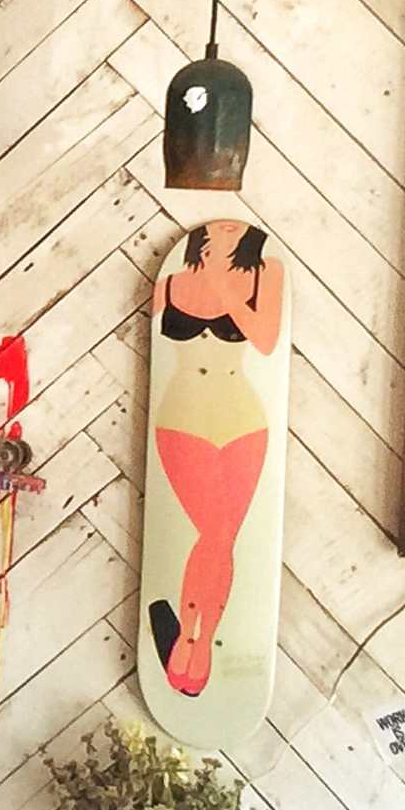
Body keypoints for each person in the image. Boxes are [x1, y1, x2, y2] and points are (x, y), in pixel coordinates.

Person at [148, 221, 286, 698]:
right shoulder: (168, 284)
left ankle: (198, 646)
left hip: (245, 421)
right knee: (212, 532)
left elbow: (266, 340)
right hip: (182, 418)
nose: (225, 229)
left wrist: (226, 292)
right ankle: (188, 639)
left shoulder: (267, 273)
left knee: (224, 536)